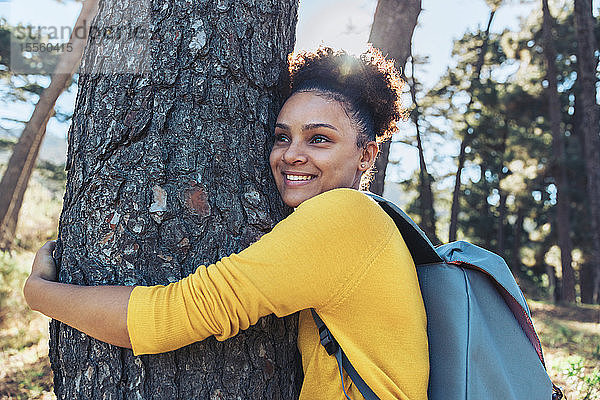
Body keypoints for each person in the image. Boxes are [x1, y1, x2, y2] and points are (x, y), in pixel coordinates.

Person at [24, 46, 429, 400]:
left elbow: (170, 317)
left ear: (366, 156)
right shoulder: (364, 224)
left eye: (319, 139)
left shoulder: (344, 217)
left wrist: (39, 293)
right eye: (282, 137)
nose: (291, 155)